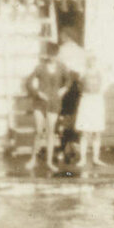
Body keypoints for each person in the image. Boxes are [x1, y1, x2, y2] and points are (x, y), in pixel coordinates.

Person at [24, 41, 71, 175]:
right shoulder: (40, 67)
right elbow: (28, 82)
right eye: (50, 55)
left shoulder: (62, 67)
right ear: (47, 54)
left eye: (55, 55)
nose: (52, 57)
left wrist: (64, 89)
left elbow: (69, 80)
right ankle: (33, 159)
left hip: (54, 102)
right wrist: (37, 93)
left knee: (51, 131)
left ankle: (49, 161)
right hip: (40, 102)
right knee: (39, 131)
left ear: (58, 55)